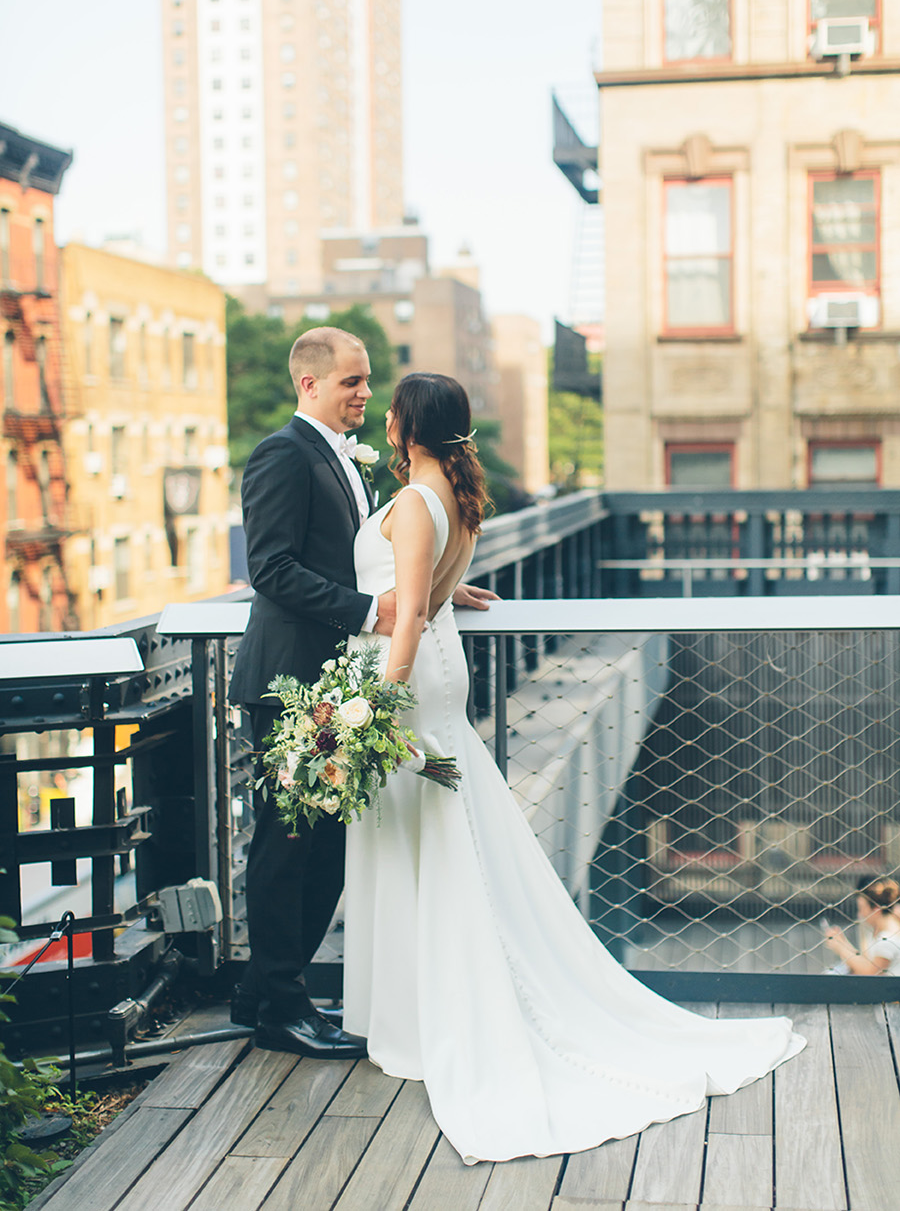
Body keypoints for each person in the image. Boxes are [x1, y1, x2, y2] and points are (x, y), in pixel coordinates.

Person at [342, 371, 806, 1166]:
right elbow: (437, 594)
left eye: (391, 409)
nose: (383, 416)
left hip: (406, 686)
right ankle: (428, 1013)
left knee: (435, 840)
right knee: (444, 833)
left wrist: (369, 711)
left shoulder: (417, 503)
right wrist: (452, 597)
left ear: (405, 425)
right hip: (431, 680)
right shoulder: (449, 499)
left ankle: (442, 1019)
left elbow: (411, 613)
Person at [229, 330, 495, 1058]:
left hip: (337, 682)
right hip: (289, 682)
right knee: (288, 847)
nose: (365, 393)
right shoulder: (283, 454)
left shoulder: (357, 464)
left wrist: (434, 590)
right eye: (351, 381)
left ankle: (261, 991)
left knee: (325, 846)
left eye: (369, 381)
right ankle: (282, 1005)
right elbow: (271, 569)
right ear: (309, 384)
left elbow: (382, 556)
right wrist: (372, 610)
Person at [824, 877, 900, 975]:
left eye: (862, 908)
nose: (860, 915)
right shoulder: (881, 932)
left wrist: (841, 947)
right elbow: (865, 963)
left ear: (876, 909)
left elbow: (870, 974)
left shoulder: (888, 938)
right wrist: (843, 943)